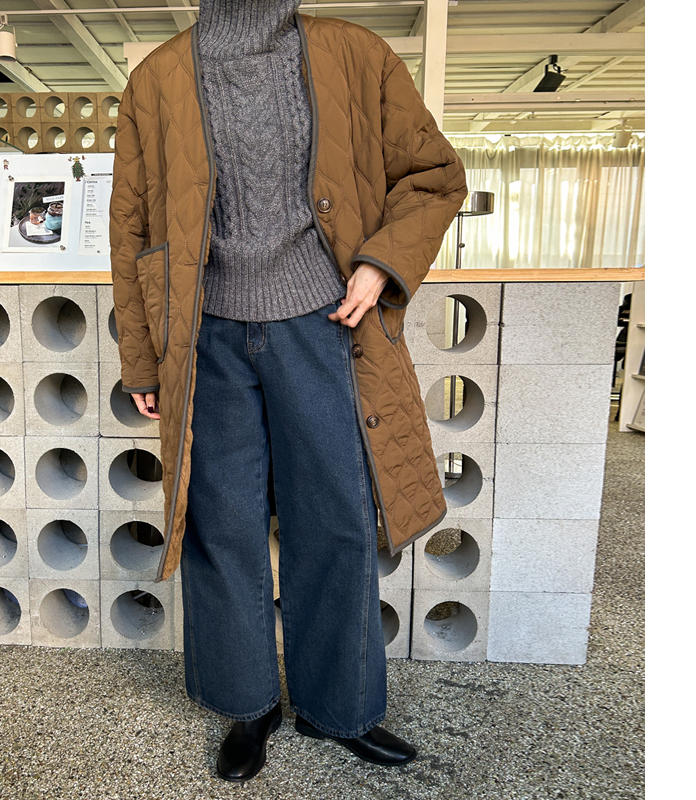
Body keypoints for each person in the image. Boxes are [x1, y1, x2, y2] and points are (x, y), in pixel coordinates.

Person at [110, 0, 467, 782]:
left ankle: (340, 707)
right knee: (220, 524)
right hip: (206, 337)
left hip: (324, 325)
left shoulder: (356, 54)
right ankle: (247, 705)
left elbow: (434, 176)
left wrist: (379, 262)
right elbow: (130, 226)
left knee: (336, 520)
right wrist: (143, 360)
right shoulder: (157, 77)